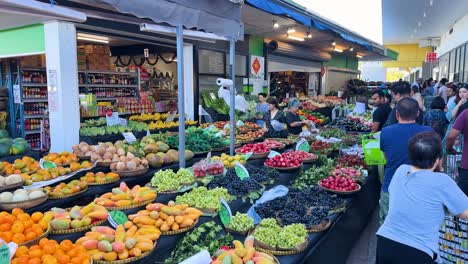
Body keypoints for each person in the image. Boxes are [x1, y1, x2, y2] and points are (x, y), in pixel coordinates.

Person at [377, 132, 468, 264]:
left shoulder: (400, 170)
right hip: (417, 251)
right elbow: (465, 212)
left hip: (385, 242)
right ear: (438, 159)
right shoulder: (442, 181)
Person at [379, 97, 433, 224]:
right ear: (418, 113)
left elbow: (386, 157)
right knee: (415, 224)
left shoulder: (385, 132)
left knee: (388, 224)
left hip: (391, 186)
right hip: (421, 187)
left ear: (397, 114)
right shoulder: (429, 132)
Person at [446, 108, 468, 195]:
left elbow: (451, 136)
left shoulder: (466, 113)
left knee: (463, 202)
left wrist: (449, 148)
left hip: (467, 166)